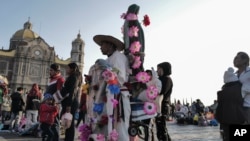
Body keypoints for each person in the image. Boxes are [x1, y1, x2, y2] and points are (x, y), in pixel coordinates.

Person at [93, 34, 130, 140]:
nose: (100, 47)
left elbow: (120, 78)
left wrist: (108, 69)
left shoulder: (118, 57)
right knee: (107, 125)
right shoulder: (109, 58)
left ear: (110, 45)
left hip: (118, 98)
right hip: (109, 96)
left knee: (119, 127)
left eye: (102, 44)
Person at [56, 62, 82, 141]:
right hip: (69, 102)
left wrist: (69, 105)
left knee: (69, 122)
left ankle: (69, 139)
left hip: (71, 103)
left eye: (68, 68)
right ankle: (67, 138)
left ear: (72, 69)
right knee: (66, 121)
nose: (66, 69)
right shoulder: (72, 77)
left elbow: (72, 92)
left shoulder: (74, 77)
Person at [44, 63, 65, 141]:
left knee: (55, 123)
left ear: (57, 71)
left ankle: (56, 139)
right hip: (48, 104)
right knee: (49, 123)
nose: (50, 72)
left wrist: (53, 101)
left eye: (51, 70)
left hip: (55, 104)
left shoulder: (60, 79)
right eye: (50, 70)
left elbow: (60, 92)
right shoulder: (51, 79)